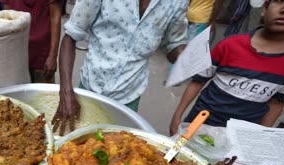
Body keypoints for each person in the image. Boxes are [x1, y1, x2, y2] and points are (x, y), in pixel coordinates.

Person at [52, 0, 189, 135]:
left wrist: (187, 56)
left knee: (116, 151)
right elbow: (71, 35)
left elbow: (173, 45)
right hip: (90, 88)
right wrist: (65, 91)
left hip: (129, 97)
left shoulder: (177, 2)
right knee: (72, 147)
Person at [170, 0, 284, 135]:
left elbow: (277, 103)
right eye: (279, 1)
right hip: (199, 125)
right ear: (265, 8)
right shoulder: (230, 45)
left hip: (239, 136)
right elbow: (198, 81)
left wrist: (261, 135)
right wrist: (177, 116)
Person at [1, 0, 62, 83]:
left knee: (43, 93)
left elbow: (55, 17)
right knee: (16, 93)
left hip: (41, 53)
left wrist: (53, 56)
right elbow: (6, 15)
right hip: (16, 50)